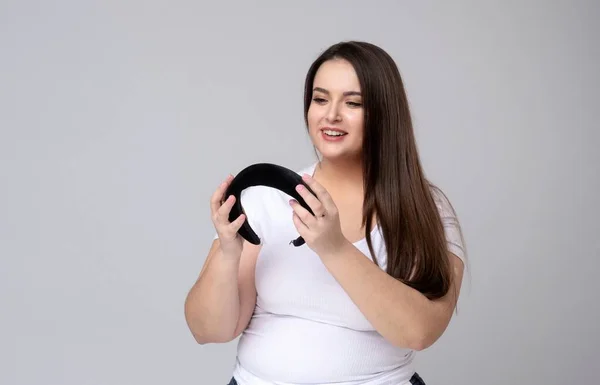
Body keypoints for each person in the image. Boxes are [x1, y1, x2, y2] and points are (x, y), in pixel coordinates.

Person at [184, 41, 467, 385]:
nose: (331, 114)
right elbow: (207, 330)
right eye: (320, 99)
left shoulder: (426, 209)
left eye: (353, 103)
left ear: (385, 114)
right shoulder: (265, 199)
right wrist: (229, 253)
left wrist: (334, 248)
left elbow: (420, 331)